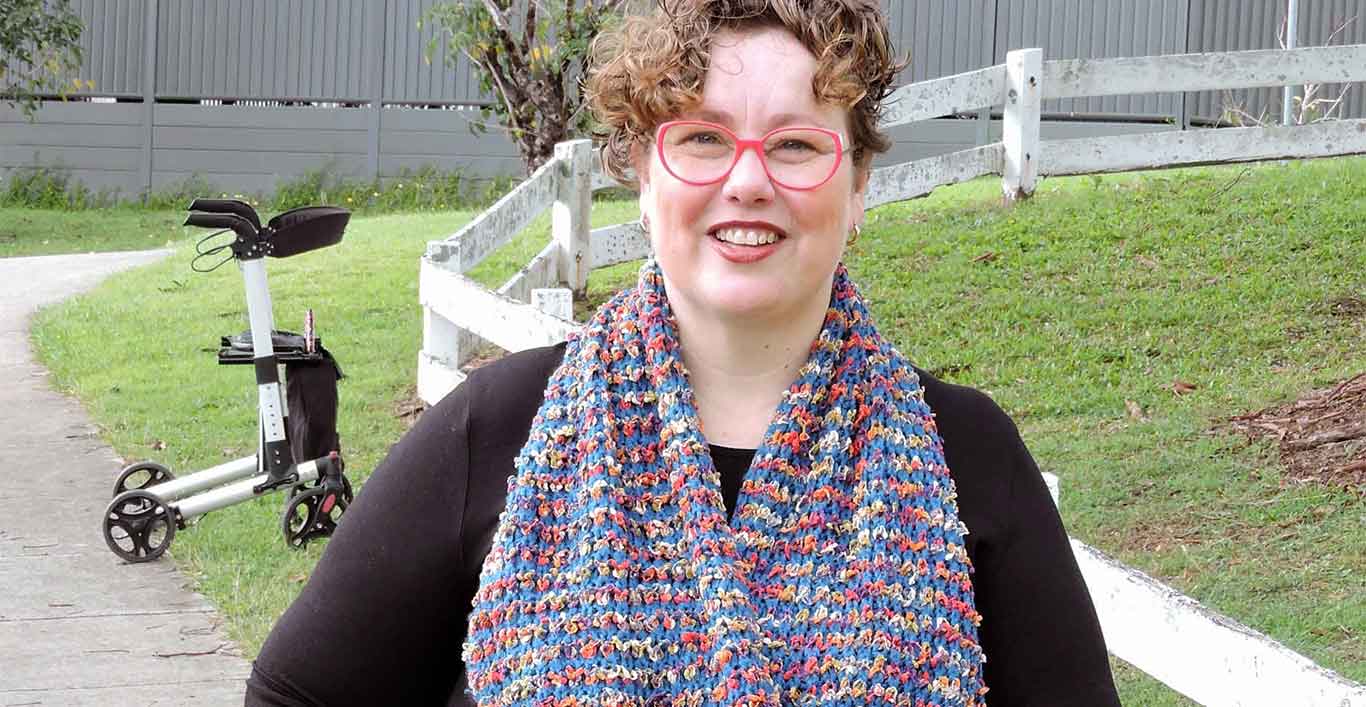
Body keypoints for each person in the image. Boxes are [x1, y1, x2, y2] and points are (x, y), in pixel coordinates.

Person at [246, 1, 1121, 704]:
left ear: (856, 187)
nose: (748, 179)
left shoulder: (967, 454)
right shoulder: (497, 430)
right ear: (647, 175)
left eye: (795, 144)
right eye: (703, 138)